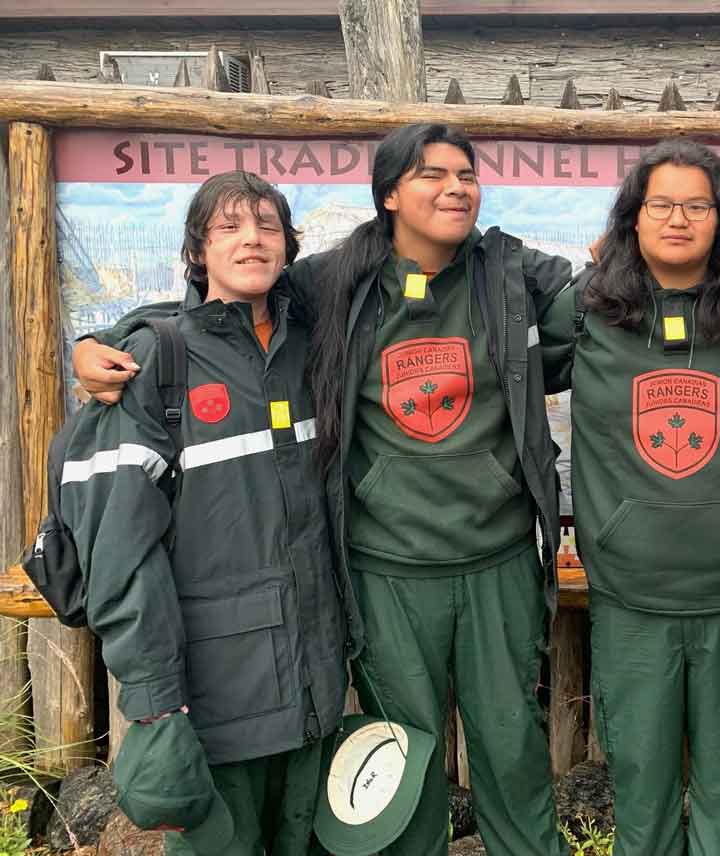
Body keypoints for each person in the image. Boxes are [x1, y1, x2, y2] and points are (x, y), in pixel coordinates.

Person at [73, 125, 572, 856]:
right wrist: (106, 337)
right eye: (432, 174)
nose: (455, 186)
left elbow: (598, 305)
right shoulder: (337, 281)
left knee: (516, 758)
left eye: (466, 173)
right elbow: (212, 312)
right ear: (390, 193)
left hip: (496, 561)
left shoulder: (507, 272)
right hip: (387, 572)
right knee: (398, 775)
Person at [61, 171, 353, 856]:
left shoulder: (315, 351)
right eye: (228, 227)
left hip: (314, 688)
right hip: (217, 703)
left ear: (289, 246)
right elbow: (120, 552)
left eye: (267, 225)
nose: (251, 238)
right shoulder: (151, 362)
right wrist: (157, 701)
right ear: (197, 250)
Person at [539, 138, 720, 856]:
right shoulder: (585, 308)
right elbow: (492, 366)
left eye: (696, 205)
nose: (678, 220)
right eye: (661, 205)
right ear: (633, 217)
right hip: (632, 599)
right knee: (642, 802)